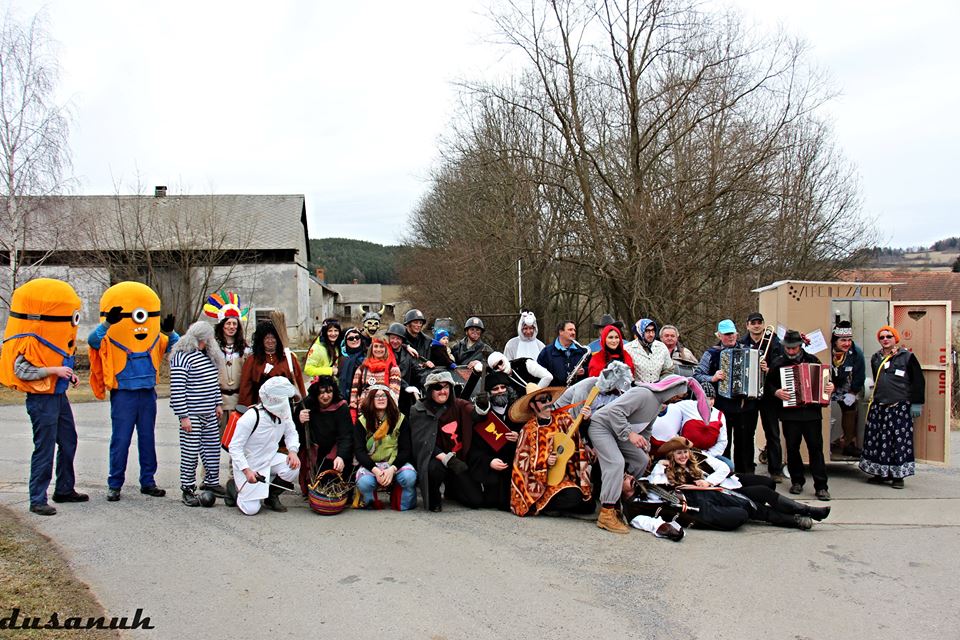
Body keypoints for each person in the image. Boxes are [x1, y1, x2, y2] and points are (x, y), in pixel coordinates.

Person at [0, 279, 88, 515]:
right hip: (41, 400)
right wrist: (54, 371)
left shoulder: (55, 339)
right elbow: (22, 370)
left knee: (69, 441)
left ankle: (64, 489)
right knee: (45, 448)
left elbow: (56, 360)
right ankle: (37, 499)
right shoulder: (31, 340)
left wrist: (67, 375)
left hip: (58, 396)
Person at [88, 281, 179, 502]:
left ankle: (148, 481)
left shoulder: (155, 338)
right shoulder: (110, 338)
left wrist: (170, 331)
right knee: (120, 440)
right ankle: (114, 484)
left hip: (147, 393)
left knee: (147, 439)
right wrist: (108, 323)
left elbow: (177, 345)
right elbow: (93, 341)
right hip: (123, 394)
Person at [588, 375, 709, 533]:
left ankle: (621, 497)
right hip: (602, 427)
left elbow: (646, 428)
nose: (679, 399)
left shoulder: (658, 404)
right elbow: (615, 411)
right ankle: (607, 511)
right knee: (616, 463)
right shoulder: (643, 394)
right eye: (679, 395)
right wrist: (630, 434)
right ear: (671, 390)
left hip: (619, 432)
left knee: (641, 460)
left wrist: (645, 447)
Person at [642, 437, 829, 530]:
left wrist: (707, 481)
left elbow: (723, 468)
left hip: (724, 490)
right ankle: (797, 518)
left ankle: (804, 513)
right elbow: (656, 486)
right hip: (708, 501)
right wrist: (660, 465)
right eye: (678, 453)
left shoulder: (698, 457)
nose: (683, 456)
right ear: (671, 455)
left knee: (761, 495)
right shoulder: (665, 469)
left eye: (685, 452)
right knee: (753, 506)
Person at [765, 329, 835, 501]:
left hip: (812, 414)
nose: (790, 351)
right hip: (789, 414)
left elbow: (826, 382)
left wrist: (830, 387)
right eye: (788, 348)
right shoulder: (778, 364)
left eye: (794, 348)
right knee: (792, 448)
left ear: (800, 346)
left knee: (816, 449)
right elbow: (767, 385)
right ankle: (797, 481)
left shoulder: (813, 360)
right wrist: (776, 392)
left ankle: (821, 486)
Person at [509, 385, 594, 517]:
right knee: (574, 497)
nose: (548, 403)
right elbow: (523, 464)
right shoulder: (528, 430)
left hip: (565, 476)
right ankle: (540, 504)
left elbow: (576, 437)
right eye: (543, 400)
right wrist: (545, 461)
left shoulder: (562, 417)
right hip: (539, 483)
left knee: (589, 506)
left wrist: (585, 420)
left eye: (549, 398)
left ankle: (554, 505)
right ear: (532, 405)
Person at [409, 370, 486, 512]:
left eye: (446, 387)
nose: (443, 391)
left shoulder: (459, 404)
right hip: (437, 459)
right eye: (438, 387)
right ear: (430, 390)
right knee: (434, 468)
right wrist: (448, 460)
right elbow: (422, 444)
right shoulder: (419, 410)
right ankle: (434, 496)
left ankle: (452, 489)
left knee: (476, 501)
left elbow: (477, 416)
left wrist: (482, 406)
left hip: (460, 462)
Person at [859, 325, 925, 488]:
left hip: (899, 407)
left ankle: (897, 477)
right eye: (882, 337)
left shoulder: (907, 357)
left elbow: (918, 381)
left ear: (895, 338)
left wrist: (917, 403)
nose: (885, 339)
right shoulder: (876, 358)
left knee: (898, 443)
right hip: (879, 406)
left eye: (889, 336)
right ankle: (880, 473)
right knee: (878, 441)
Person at [226, 377, 301, 515]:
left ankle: (271, 496)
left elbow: (291, 432)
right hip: (250, 464)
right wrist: (246, 471)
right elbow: (234, 448)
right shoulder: (251, 417)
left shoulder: (284, 410)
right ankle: (233, 487)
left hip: (270, 458)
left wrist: (293, 451)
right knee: (251, 509)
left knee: (293, 467)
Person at [169, 321, 225, 506]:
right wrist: (183, 416)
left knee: (212, 449)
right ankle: (187, 488)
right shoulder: (182, 357)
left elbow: (213, 383)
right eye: (209, 337)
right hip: (192, 414)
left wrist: (217, 403)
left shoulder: (207, 356)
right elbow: (178, 390)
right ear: (203, 337)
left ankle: (211, 482)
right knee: (190, 452)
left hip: (209, 412)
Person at [353, 385, 418, 510]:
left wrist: (392, 469)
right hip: (372, 465)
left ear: (389, 399)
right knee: (365, 483)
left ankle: (400, 499)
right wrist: (376, 470)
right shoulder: (362, 421)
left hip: (395, 464)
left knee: (409, 477)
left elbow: (406, 450)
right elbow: (359, 451)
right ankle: (371, 502)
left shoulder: (400, 419)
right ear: (371, 399)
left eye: (384, 395)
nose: (381, 398)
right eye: (376, 396)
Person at [694, 319, 747, 471]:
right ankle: (725, 471)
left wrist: (762, 368)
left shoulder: (747, 351)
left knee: (744, 441)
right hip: (721, 404)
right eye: (727, 334)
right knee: (723, 440)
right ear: (719, 335)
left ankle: (743, 473)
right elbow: (697, 375)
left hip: (743, 404)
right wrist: (713, 378)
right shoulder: (711, 353)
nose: (731, 337)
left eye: (733, 333)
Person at [737, 312, 783, 479]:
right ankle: (748, 469)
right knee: (746, 433)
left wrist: (769, 369)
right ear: (747, 325)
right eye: (753, 323)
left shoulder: (774, 342)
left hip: (769, 394)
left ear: (763, 324)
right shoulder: (741, 343)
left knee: (772, 433)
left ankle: (775, 470)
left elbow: (782, 367)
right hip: (749, 394)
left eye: (759, 322)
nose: (756, 326)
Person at [297, 375, 353, 496]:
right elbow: (295, 431)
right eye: (321, 392)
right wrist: (299, 419)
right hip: (315, 451)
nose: (326, 396)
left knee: (332, 480)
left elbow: (346, 436)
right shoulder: (307, 404)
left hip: (335, 450)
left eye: (329, 392)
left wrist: (341, 456)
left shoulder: (341, 407)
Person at [238, 321, 306, 408]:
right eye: (266, 338)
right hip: (260, 407)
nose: (270, 341)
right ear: (261, 340)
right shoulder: (252, 360)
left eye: (273, 337)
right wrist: (245, 408)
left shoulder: (289, 358)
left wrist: (302, 405)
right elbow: (246, 387)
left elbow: (299, 382)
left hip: (285, 407)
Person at [651, 381, 728, 458]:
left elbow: (722, 441)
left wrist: (709, 455)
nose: (708, 402)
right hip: (686, 452)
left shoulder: (719, 415)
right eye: (705, 398)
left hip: (710, 454)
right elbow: (668, 407)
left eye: (711, 399)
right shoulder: (687, 406)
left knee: (728, 464)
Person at [830, 320, 866, 457]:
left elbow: (860, 374)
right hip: (828, 382)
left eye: (849, 340)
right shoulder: (827, 350)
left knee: (850, 410)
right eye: (843, 340)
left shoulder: (856, 352)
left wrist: (853, 392)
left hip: (845, 382)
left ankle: (848, 443)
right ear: (835, 341)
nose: (847, 343)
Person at [349, 337, 402, 418]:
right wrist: (353, 409)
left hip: (384, 413)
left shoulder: (393, 368)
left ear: (386, 349)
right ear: (371, 348)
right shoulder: (363, 367)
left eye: (381, 347)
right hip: (364, 412)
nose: (378, 349)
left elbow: (394, 394)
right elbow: (354, 390)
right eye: (376, 346)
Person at [537, 320, 589, 386]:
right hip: (554, 391)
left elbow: (592, 369)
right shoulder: (547, 352)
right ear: (561, 332)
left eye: (574, 330)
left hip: (577, 390)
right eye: (570, 330)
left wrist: (584, 370)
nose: (573, 332)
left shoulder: (582, 351)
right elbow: (539, 373)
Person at [624, 318, 674, 383]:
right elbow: (624, 374)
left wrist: (661, 383)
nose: (651, 334)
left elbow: (668, 370)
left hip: (658, 387)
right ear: (640, 332)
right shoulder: (628, 348)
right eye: (647, 331)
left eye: (653, 331)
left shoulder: (661, 347)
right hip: (637, 387)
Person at [486, 351, 553, 397]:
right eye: (496, 367)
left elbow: (548, 376)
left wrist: (534, 393)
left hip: (545, 396)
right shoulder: (501, 378)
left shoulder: (525, 363)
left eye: (500, 362)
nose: (500, 367)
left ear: (505, 358)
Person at [337, 327, 366, 399]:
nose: (355, 340)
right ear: (345, 341)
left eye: (357, 337)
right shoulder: (341, 359)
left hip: (362, 395)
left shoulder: (367, 356)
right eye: (351, 338)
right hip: (345, 396)